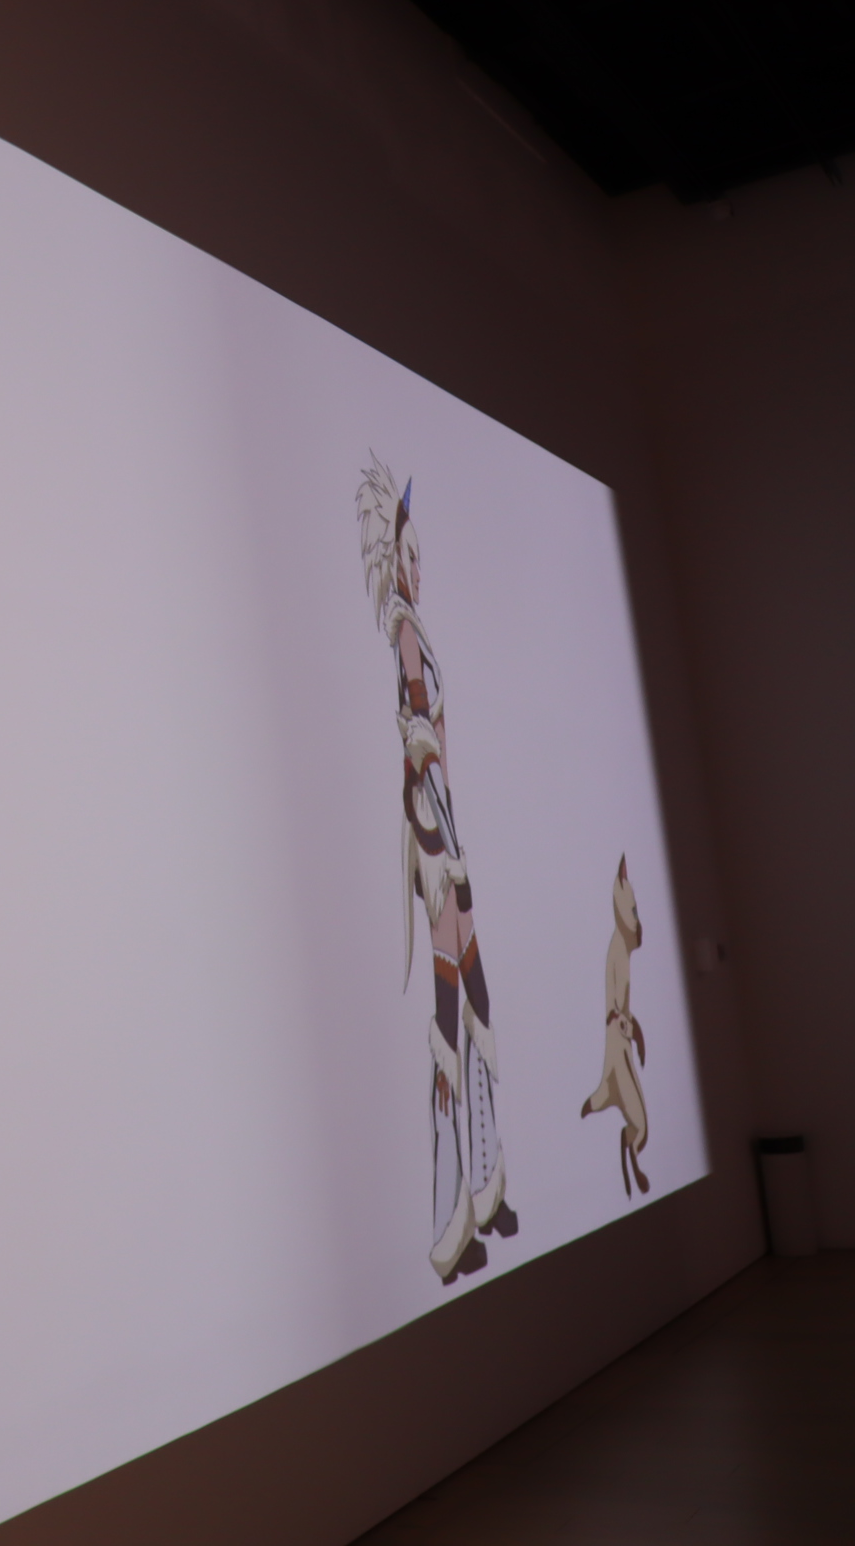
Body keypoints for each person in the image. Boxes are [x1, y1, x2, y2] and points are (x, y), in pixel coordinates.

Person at [358, 462, 518, 1285]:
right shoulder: (407, 638)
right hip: (434, 840)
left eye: (421, 556)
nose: (420, 569)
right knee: (454, 1011)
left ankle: (484, 1193)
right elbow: (419, 750)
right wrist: (448, 854)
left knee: (472, 1001)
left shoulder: (413, 629)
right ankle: (452, 1227)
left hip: (444, 833)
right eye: (411, 556)